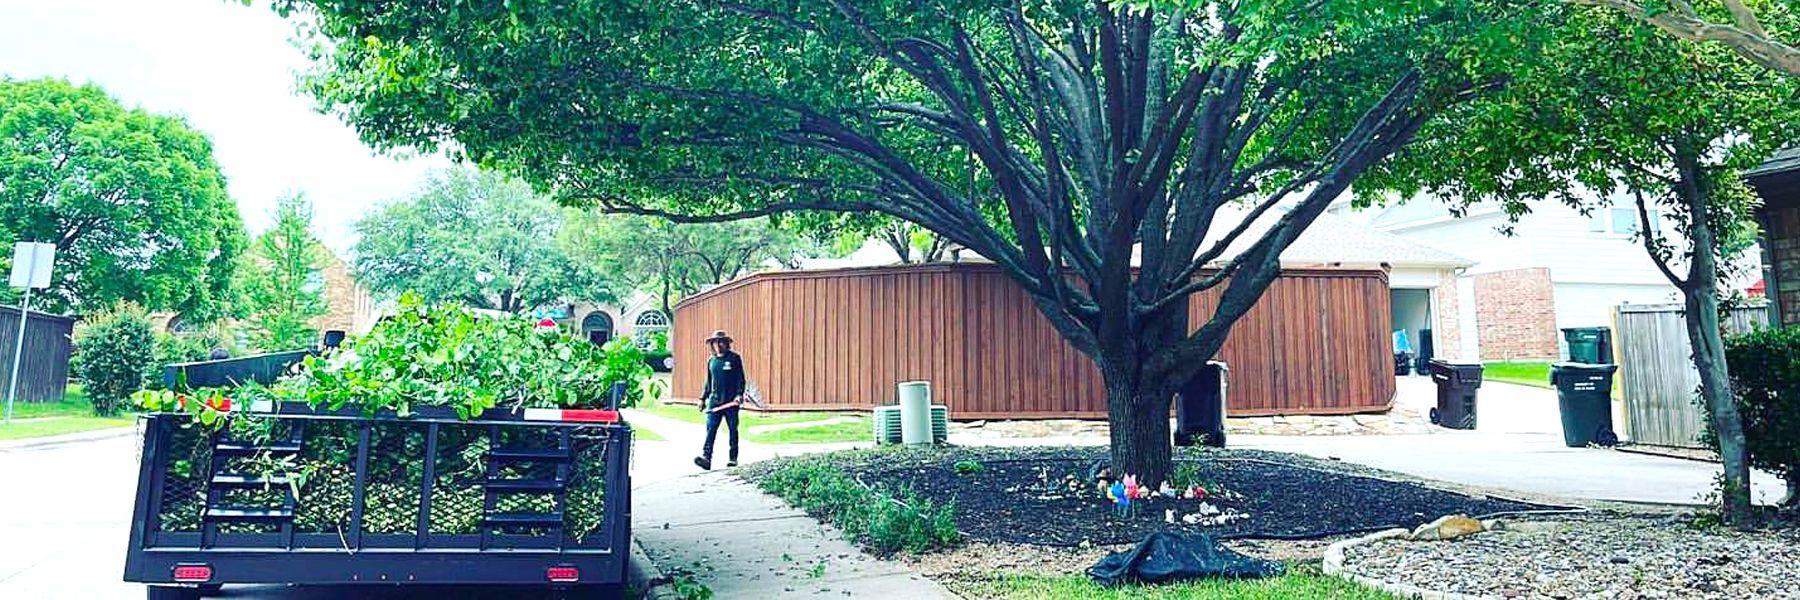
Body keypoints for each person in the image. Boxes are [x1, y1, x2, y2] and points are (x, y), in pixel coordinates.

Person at [695, 329, 745, 470]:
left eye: (721, 342)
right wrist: (702, 399)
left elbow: (740, 379)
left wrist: (739, 394)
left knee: (732, 430)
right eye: (715, 342)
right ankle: (706, 458)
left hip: (730, 402)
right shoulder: (711, 361)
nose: (718, 345)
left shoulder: (734, 358)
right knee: (711, 429)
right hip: (714, 402)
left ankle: (733, 458)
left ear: (727, 343)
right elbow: (708, 382)